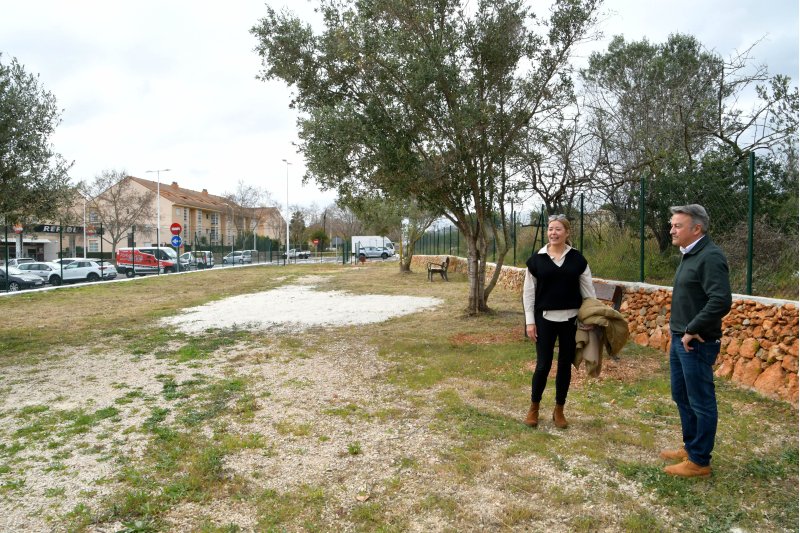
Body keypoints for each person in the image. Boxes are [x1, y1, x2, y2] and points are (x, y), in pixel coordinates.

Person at [661, 204, 732, 478]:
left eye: (677, 225)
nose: (671, 230)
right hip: (682, 340)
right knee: (681, 395)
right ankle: (691, 448)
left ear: (696, 228)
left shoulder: (710, 256)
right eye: (672, 225)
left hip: (697, 342)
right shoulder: (690, 255)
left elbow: (720, 300)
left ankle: (700, 461)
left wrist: (691, 329)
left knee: (701, 401)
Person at [523, 214, 596, 429]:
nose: (553, 233)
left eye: (558, 229)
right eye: (550, 229)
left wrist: (589, 317)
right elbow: (529, 294)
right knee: (543, 365)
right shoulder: (537, 260)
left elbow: (588, 291)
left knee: (565, 366)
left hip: (570, 321)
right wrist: (529, 322)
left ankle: (559, 410)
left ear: (566, 232)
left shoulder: (577, 259)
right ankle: (534, 408)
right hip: (544, 320)